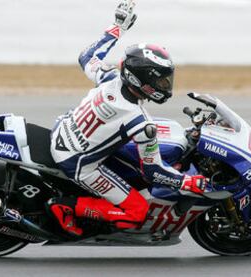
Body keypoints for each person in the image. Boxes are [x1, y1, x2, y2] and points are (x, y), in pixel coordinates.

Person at [48, 0, 207, 236]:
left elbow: (87, 55)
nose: (165, 87)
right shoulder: (139, 122)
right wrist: (187, 183)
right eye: (161, 81)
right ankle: (66, 207)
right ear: (141, 80)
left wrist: (118, 27)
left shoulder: (109, 76)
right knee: (138, 211)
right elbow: (154, 172)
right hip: (79, 164)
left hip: (63, 131)